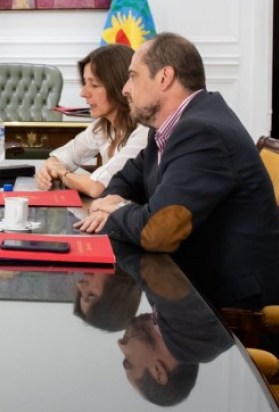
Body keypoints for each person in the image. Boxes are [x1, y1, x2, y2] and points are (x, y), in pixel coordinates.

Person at [75, 32, 279, 310]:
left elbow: (158, 232)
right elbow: (126, 178)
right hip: (187, 285)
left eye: (133, 76)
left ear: (164, 77)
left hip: (230, 309)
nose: (124, 89)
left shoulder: (202, 132)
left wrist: (117, 210)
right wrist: (109, 202)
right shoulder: (168, 127)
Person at [114, 244, 233, 407]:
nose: (120, 345)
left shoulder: (173, 324)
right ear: (159, 372)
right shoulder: (194, 333)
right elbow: (134, 253)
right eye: (128, 361)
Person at [36, 44, 148, 197]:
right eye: (85, 83)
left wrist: (61, 174)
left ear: (120, 86)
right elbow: (62, 156)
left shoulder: (144, 131)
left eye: (94, 85)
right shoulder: (102, 126)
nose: (83, 93)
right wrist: (50, 169)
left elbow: (97, 187)